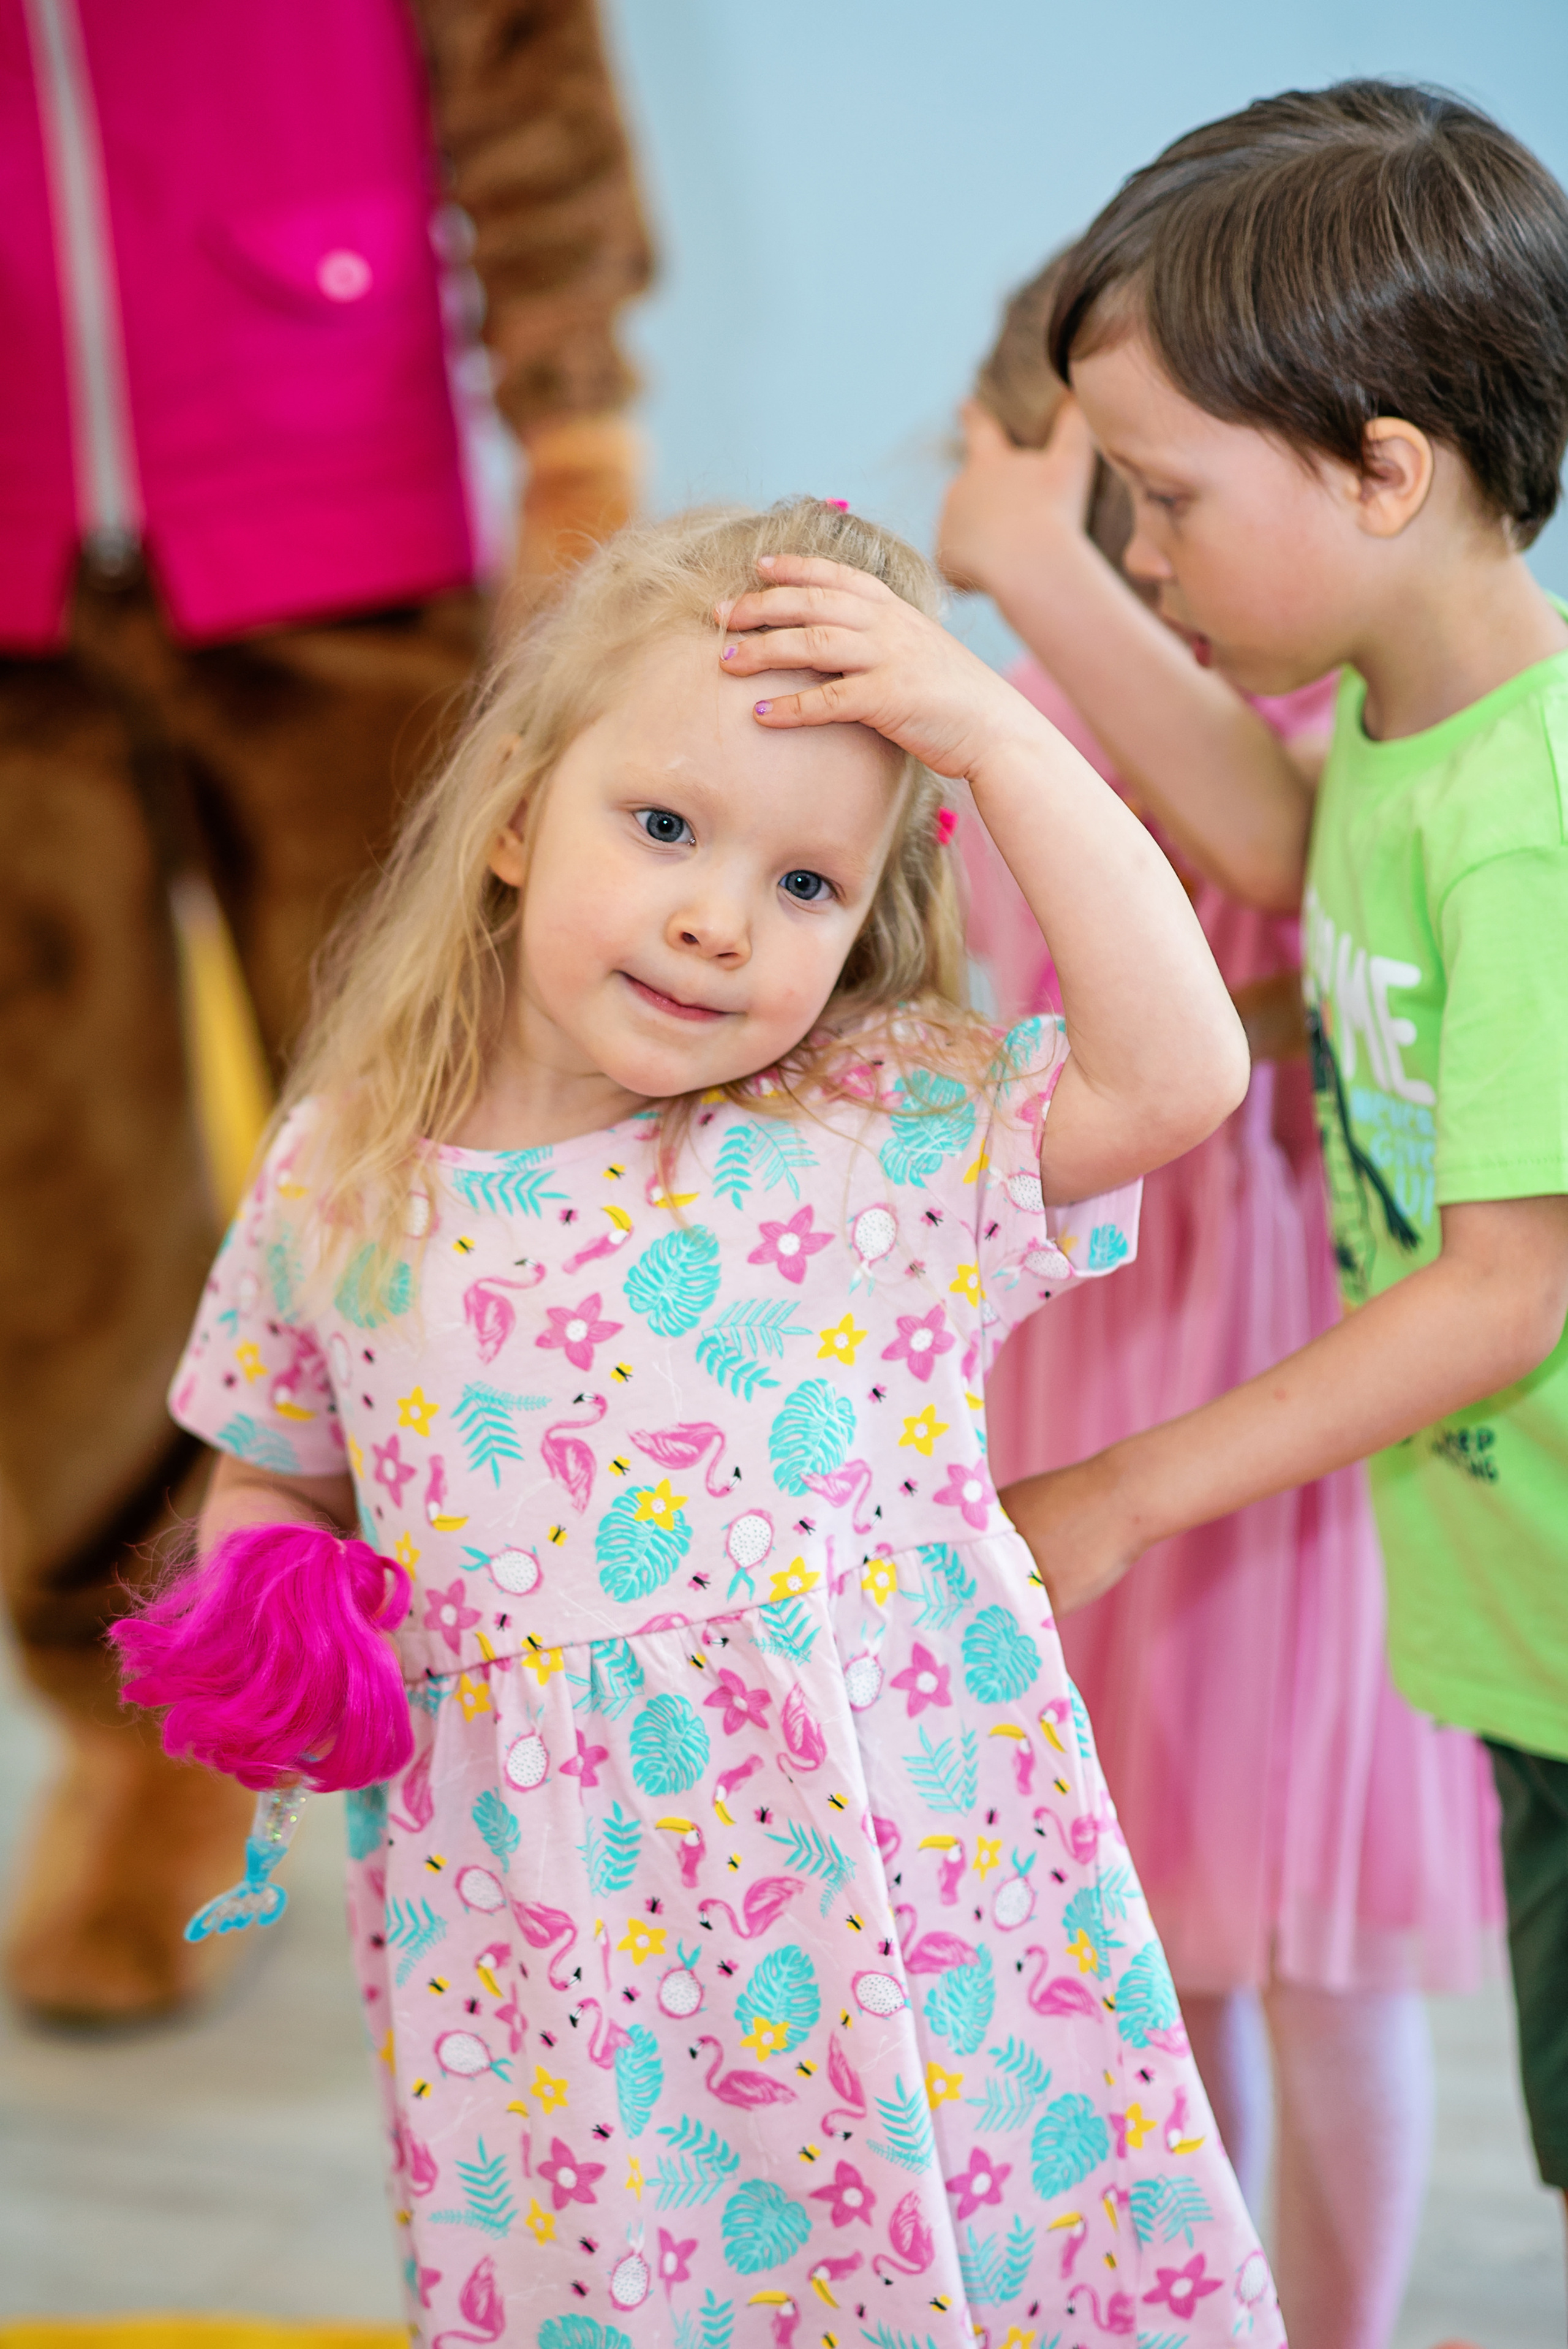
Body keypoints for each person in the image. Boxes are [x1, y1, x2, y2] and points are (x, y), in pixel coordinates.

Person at [125, 495, 1284, 2342]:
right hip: (540, 1944)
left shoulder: (864, 1128)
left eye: (806, 884)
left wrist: (986, 728)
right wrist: (268, 1579)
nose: (714, 916)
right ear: (514, 812)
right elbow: (267, 1446)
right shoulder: (343, 1167)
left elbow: (1181, 1066)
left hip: (890, 1914)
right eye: (663, 825)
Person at [941, 79, 1568, 2299]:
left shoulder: (1506, 799)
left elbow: (1505, 1288)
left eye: (1168, 499)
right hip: (1476, 1563)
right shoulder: (1396, 754)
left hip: (1470, 1533)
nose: (1153, 557)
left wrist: (1124, 1488)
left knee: (1367, 1999)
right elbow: (1280, 869)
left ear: (1387, 469)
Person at [0, 0, 652, 2023]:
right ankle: (157, 1719)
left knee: (447, 1130)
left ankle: (540, 1675)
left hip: (327, 490)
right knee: (49, 1202)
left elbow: (522, 45)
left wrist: (571, 403)